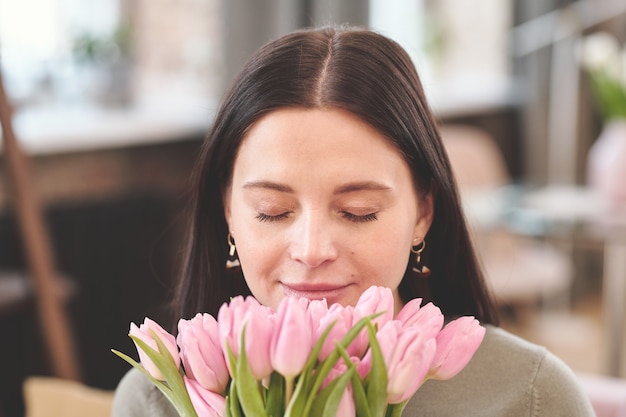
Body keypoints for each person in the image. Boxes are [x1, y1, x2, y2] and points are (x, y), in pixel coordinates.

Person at [112, 25, 595, 416]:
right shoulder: (159, 396)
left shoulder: (530, 399)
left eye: (357, 212)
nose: (311, 248)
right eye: (272, 212)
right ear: (228, 215)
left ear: (422, 212)